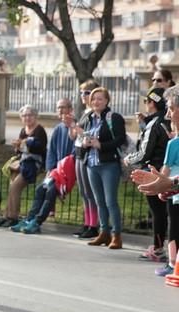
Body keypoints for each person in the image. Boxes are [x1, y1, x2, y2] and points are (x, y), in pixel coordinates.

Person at [132, 85, 179, 276]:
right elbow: (165, 176)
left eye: (172, 108)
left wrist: (166, 183)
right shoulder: (173, 143)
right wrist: (157, 182)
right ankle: (172, 263)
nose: (168, 114)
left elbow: (168, 180)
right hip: (175, 195)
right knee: (174, 227)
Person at [11, 98, 75, 234]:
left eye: (63, 107)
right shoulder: (58, 128)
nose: (61, 110)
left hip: (68, 169)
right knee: (41, 190)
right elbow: (51, 151)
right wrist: (50, 169)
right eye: (58, 108)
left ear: (70, 109)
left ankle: (37, 222)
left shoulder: (74, 127)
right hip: (56, 170)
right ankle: (29, 219)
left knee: (51, 192)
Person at [73, 87, 126, 249]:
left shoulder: (114, 118)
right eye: (94, 99)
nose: (96, 101)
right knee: (99, 201)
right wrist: (84, 140)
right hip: (91, 163)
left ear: (107, 101)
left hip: (109, 164)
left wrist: (100, 145)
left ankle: (116, 235)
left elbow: (120, 139)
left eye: (100, 99)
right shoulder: (88, 118)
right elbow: (81, 140)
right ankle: (103, 233)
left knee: (111, 201)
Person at [125, 87, 170, 262]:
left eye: (146, 101)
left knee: (158, 212)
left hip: (155, 172)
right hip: (171, 173)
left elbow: (145, 152)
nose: (145, 104)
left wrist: (128, 159)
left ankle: (158, 249)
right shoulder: (167, 121)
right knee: (169, 212)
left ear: (152, 103)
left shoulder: (155, 124)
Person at [0, 104, 47, 228]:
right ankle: (7, 215)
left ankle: (13, 217)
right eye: (24, 115)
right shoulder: (23, 130)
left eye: (30, 115)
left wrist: (26, 144)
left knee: (15, 187)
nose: (27, 118)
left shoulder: (39, 130)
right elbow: (20, 150)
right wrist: (18, 146)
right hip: (22, 162)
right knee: (11, 186)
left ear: (35, 116)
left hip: (34, 164)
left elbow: (40, 148)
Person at [72, 79, 100, 239]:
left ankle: (93, 225)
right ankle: (87, 222)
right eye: (82, 93)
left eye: (87, 93)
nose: (83, 95)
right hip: (78, 153)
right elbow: (75, 136)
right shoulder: (84, 112)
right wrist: (72, 127)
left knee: (90, 192)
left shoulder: (93, 114)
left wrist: (79, 130)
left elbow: (89, 135)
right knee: (84, 192)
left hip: (87, 154)